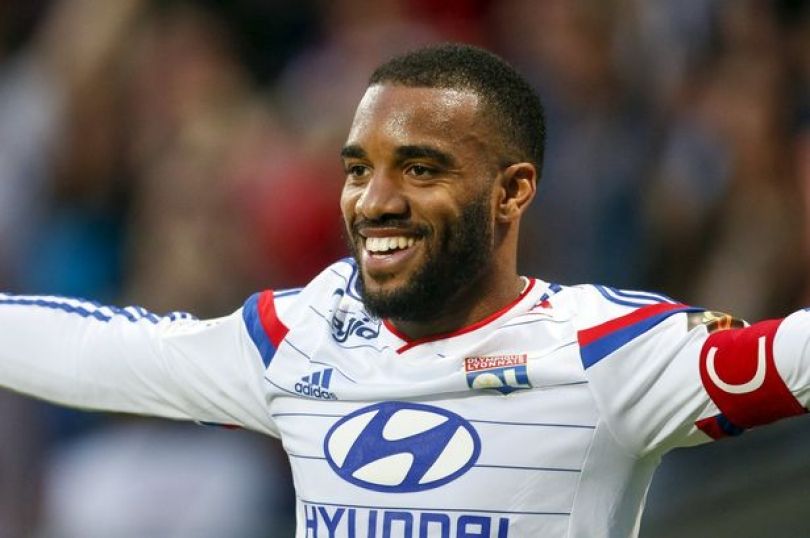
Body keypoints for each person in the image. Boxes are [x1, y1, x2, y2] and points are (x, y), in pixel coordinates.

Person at [0, 43, 808, 538]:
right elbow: (101, 351)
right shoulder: (299, 337)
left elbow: (788, 358)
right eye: (359, 169)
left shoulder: (607, 353)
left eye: (420, 169)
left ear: (513, 191)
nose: (375, 201)